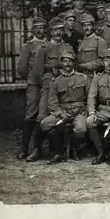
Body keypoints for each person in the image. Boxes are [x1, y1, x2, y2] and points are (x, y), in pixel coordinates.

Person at [29, 17, 74, 161]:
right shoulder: (44, 48)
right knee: (42, 115)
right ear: (51, 32)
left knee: (63, 115)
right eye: (55, 30)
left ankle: (60, 149)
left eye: (61, 30)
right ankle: (37, 149)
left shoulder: (68, 47)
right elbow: (37, 71)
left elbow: (74, 65)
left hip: (65, 86)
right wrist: (45, 84)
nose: (58, 33)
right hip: (48, 85)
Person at [38, 49, 90, 164]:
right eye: (65, 61)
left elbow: (90, 98)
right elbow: (52, 103)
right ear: (61, 63)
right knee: (45, 124)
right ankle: (59, 152)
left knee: (81, 129)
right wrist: (61, 114)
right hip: (63, 112)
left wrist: (85, 110)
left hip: (79, 111)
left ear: (74, 63)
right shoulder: (55, 82)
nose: (68, 64)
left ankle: (74, 149)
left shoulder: (83, 78)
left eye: (70, 61)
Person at [16, 17, 48, 159]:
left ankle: (37, 148)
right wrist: (31, 78)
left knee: (42, 115)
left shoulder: (48, 44)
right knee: (30, 114)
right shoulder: (28, 46)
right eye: (37, 28)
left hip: (46, 84)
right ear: (33, 29)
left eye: (42, 27)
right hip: (34, 84)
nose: (40, 30)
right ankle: (24, 148)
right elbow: (22, 68)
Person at [77, 13, 108, 81]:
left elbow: (103, 62)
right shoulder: (81, 42)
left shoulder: (99, 41)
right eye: (84, 25)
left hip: (95, 77)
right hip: (81, 77)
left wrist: (85, 66)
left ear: (93, 26)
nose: (86, 28)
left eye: (89, 25)